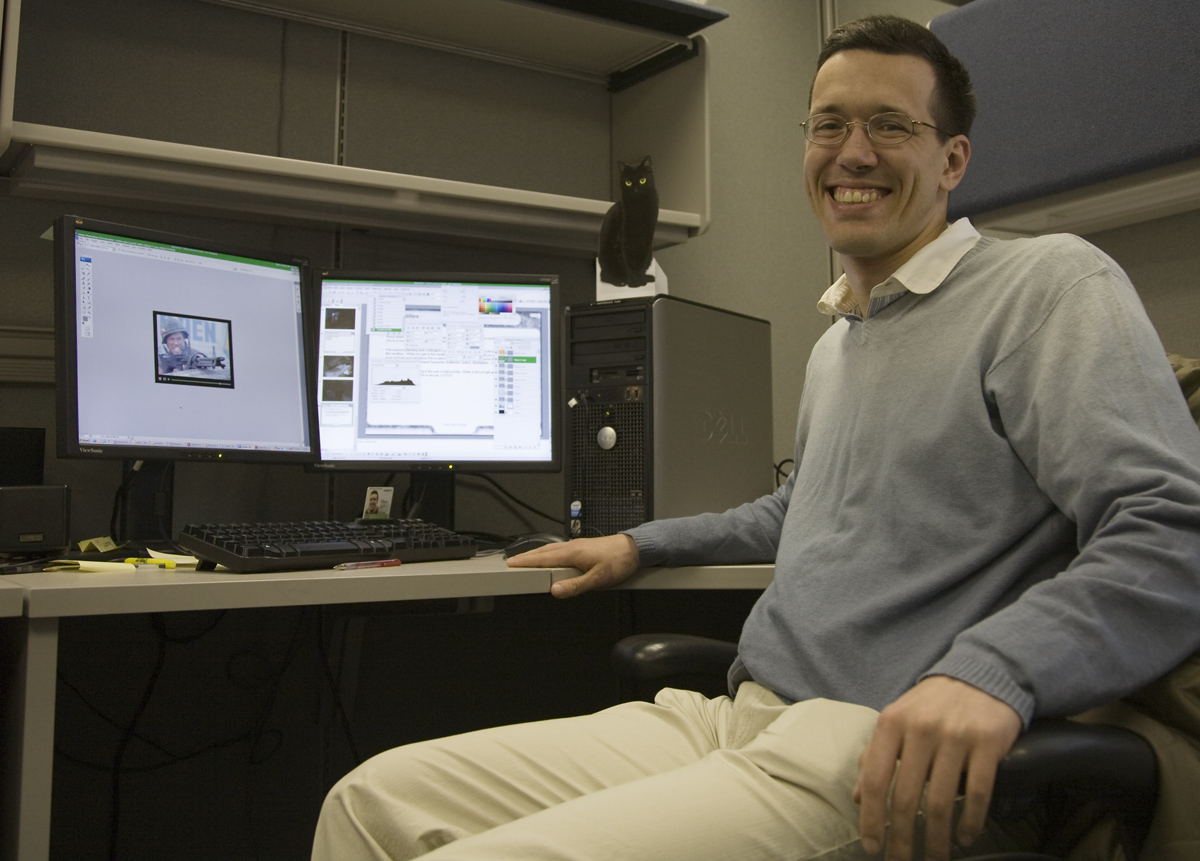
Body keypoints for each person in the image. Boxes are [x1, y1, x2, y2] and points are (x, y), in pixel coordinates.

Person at [312, 15, 1200, 861]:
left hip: (880, 744)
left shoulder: (1046, 286)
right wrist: (640, 543)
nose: (853, 152)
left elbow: (1169, 530)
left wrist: (992, 671)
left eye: (890, 125)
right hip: (737, 715)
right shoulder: (839, 342)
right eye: (830, 125)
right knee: (371, 800)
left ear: (952, 159)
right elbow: (796, 508)